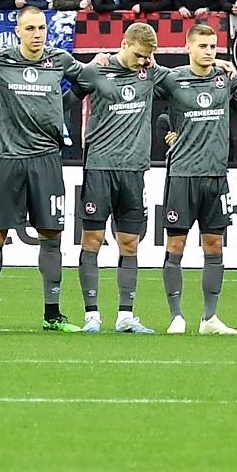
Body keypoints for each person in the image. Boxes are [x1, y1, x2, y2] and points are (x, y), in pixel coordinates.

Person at [0, 5, 81, 332]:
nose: (36, 34)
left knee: (51, 234)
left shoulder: (59, 60)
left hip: (46, 159)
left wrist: (62, 105)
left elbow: (88, 79)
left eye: (41, 29)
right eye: (30, 29)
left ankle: (52, 314)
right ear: (18, 31)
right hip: (8, 159)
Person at [73, 22, 165, 334]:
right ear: (124, 43)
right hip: (99, 168)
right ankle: (92, 316)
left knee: (130, 243)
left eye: (148, 56)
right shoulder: (97, 69)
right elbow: (65, 93)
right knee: (93, 240)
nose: (143, 61)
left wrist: (219, 63)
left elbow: (186, 84)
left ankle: (126, 315)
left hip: (134, 171)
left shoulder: (151, 73)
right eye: (139, 55)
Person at [153, 22, 237, 333]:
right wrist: (168, 128)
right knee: (176, 245)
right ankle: (176, 316)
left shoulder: (225, 79)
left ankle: (210, 318)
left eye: (212, 46)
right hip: (182, 175)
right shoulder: (173, 79)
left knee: (214, 245)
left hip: (216, 176)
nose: (208, 52)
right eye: (202, 46)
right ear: (188, 47)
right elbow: (140, 95)